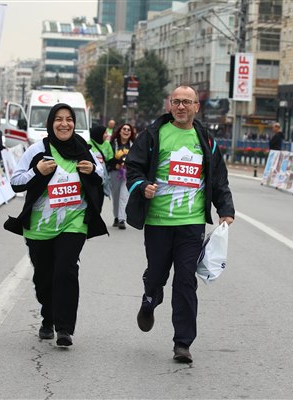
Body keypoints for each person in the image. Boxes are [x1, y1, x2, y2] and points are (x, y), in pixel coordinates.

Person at [125, 86, 235, 364]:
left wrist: (225, 210)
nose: (181, 106)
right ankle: (150, 300)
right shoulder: (154, 134)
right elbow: (133, 167)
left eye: (187, 102)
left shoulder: (205, 139)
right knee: (156, 275)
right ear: (169, 105)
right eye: (176, 102)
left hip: (191, 223)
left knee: (186, 280)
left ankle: (182, 343)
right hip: (158, 222)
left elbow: (218, 178)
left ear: (197, 106)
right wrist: (142, 186)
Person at [7, 103, 108, 347]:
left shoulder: (84, 148)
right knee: (43, 278)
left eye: (69, 119)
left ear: (75, 123)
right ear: (51, 123)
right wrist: (37, 171)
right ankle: (48, 317)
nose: (64, 124)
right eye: (59, 119)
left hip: (74, 222)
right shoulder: (37, 150)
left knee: (66, 270)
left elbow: (102, 176)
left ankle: (64, 328)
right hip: (40, 226)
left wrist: (93, 170)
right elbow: (15, 182)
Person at [107, 123, 135, 229]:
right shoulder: (112, 144)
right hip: (115, 173)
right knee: (116, 196)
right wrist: (115, 165)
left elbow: (137, 159)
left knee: (124, 196)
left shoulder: (133, 145)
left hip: (127, 174)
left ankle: (122, 219)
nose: (126, 131)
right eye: (124, 129)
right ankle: (116, 216)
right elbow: (108, 158)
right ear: (120, 131)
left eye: (128, 130)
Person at [88, 125, 114, 205]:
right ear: (98, 134)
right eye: (105, 133)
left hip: (102, 179)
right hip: (90, 178)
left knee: (99, 203)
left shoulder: (107, 144)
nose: (107, 135)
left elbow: (110, 159)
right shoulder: (87, 144)